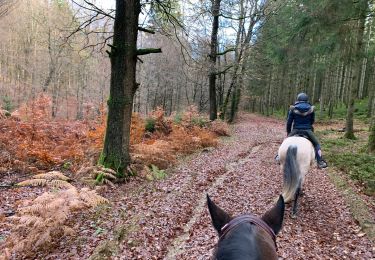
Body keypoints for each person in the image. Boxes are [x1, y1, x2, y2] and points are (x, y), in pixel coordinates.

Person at [286, 92, 327, 169]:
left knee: (285, 142)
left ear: (298, 99)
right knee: (317, 144)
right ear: (306, 99)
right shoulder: (311, 109)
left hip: (295, 130)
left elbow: (289, 122)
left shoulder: (293, 109)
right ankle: (320, 162)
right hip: (307, 130)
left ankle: (278, 156)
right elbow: (312, 121)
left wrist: (288, 132)